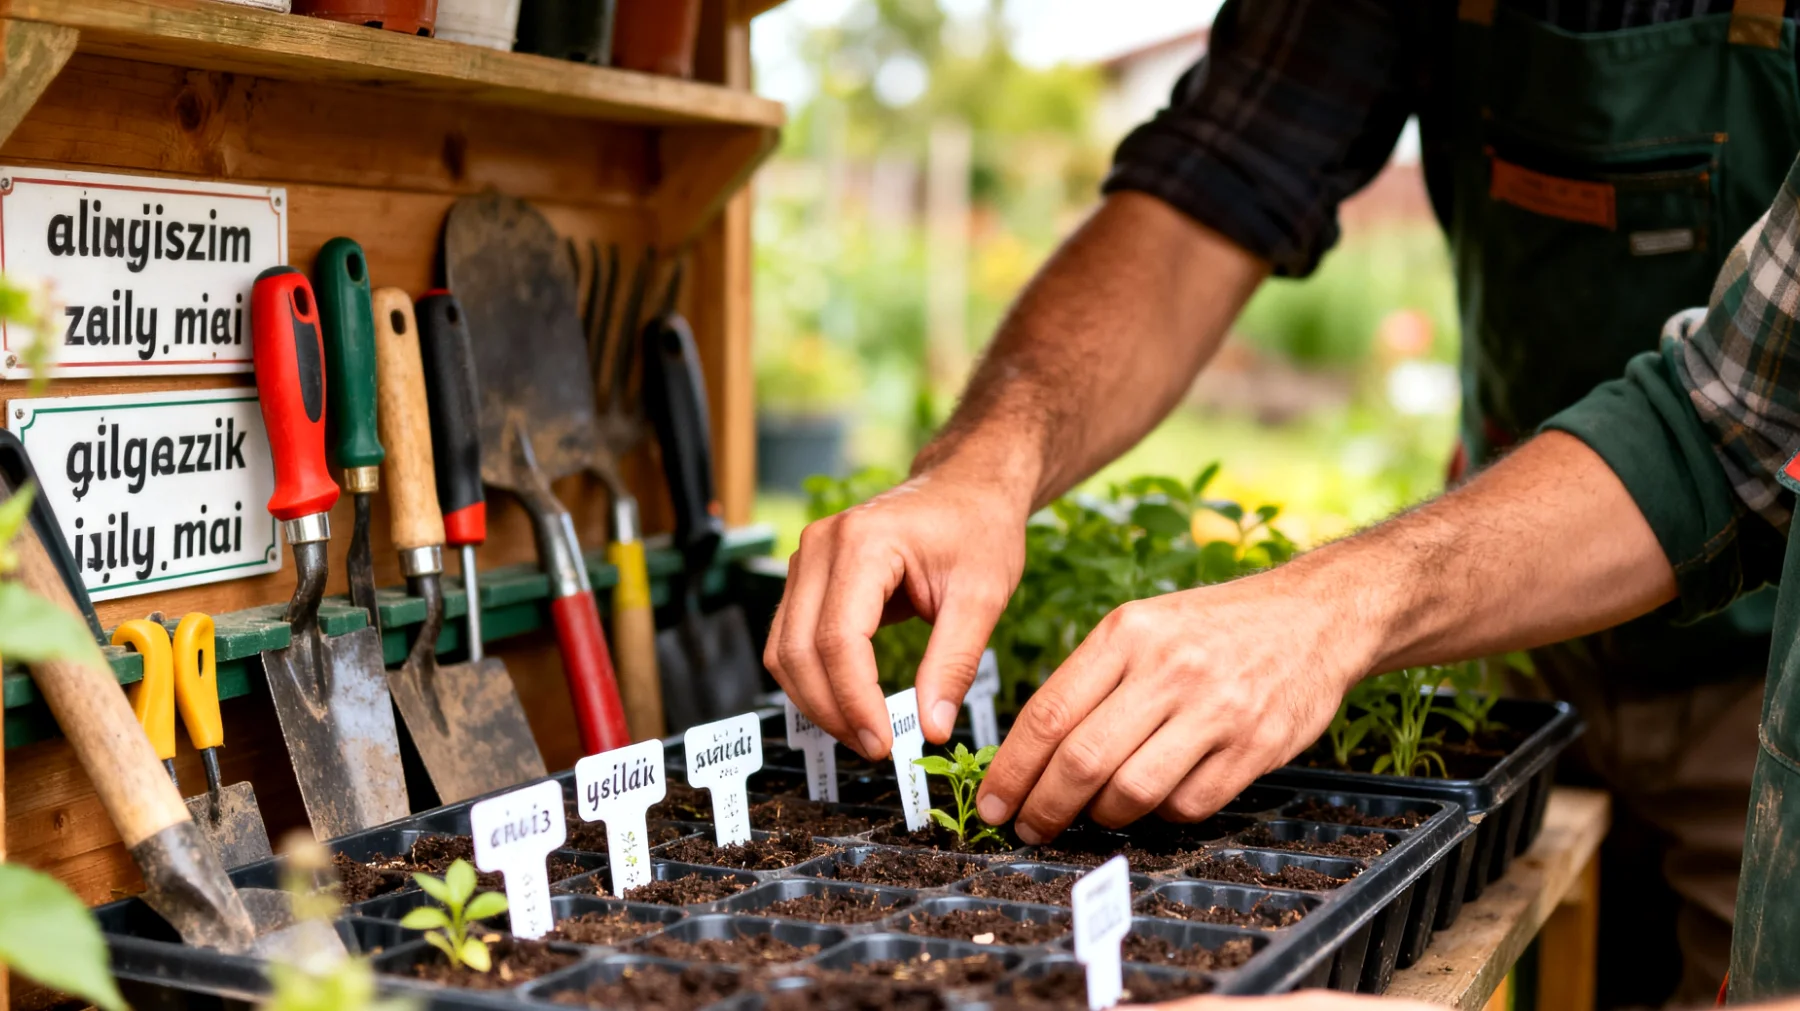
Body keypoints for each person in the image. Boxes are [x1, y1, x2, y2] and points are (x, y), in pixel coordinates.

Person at [765, 1, 1800, 1005]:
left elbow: (1735, 431)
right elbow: (1215, 178)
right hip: (1518, 624)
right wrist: (983, 464)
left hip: (1764, 679)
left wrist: (1330, 610)